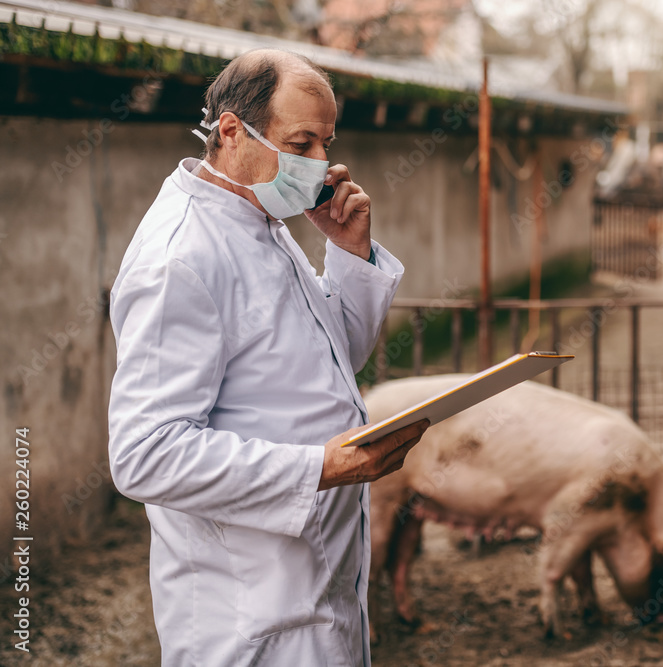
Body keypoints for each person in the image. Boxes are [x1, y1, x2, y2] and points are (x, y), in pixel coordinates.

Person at [107, 48, 427, 666]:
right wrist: (317, 468)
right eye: (302, 142)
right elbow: (144, 455)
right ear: (231, 131)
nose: (320, 164)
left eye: (326, 143)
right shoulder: (181, 258)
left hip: (315, 585)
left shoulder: (262, 219)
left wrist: (349, 255)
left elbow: (333, 361)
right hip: (249, 619)